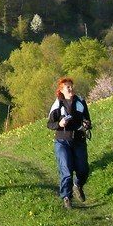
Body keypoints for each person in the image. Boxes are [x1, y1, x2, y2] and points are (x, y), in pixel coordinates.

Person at [47, 77, 91, 208]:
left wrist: (86, 124)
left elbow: (88, 120)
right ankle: (66, 197)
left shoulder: (80, 101)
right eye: (67, 87)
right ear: (61, 90)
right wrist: (59, 124)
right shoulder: (57, 104)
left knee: (83, 169)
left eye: (71, 86)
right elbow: (49, 124)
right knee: (66, 170)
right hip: (62, 140)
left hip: (79, 140)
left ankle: (78, 185)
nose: (70, 88)